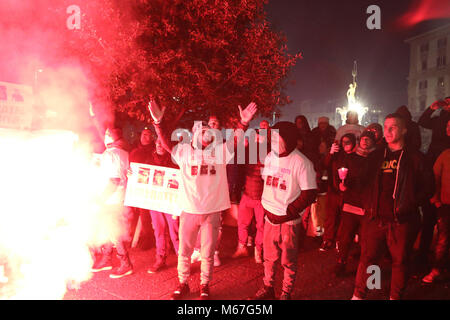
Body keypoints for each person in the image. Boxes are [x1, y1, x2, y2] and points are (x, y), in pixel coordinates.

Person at [148, 99, 257, 300]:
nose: (205, 132)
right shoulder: (184, 151)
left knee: (207, 253)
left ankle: (205, 285)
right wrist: (158, 122)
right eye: (201, 130)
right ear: (194, 134)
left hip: (212, 212)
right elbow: (164, 142)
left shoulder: (220, 151)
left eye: (208, 130)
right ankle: (183, 284)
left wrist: (243, 123)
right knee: (184, 251)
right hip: (189, 210)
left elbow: (235, 141)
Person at [352, 113, 434, 300]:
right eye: (385, 127)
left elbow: (429, 187)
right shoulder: (376, 156)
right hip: (376, 218)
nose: (387, 131)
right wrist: (368, 205)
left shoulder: (415, 158)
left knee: (400, 261)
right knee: (369, 258)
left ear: (404, 130)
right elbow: (363, 182)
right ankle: (363, 293)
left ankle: (394, 296)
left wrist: (410, 203)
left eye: (393, 127)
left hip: (402, 220)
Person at [253, 121, 317, 300]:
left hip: (288, 222)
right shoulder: (269, 157)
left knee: (288, 261)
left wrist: (290, 210)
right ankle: (268, 288)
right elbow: (266, 181)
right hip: (269, 219)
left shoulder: (302, 162)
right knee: (269, 257)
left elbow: (309, 193)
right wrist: (266, 204)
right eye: (271, 137)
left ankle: (286, 292)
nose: (272, 141)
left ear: (287, 140)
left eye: (276, 137)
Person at [91, 127, 134, 279]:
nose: (105, 135)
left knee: (114, 231)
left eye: (108, 133)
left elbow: (114, 180)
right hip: (117, 198)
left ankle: (125, 264)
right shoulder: (122, 152)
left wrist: (100, 199)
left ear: (112, 137)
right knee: (108, 229)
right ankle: (107, 258)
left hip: (111, 199)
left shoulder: (112, 154)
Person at [333, 130, 376, 276]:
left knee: (366, 239)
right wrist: (342, 184)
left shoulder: (375, 160)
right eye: (363, 139)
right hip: (351, 203)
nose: (365, 142)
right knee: (345, 236)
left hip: (367, 206)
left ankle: (366, 268)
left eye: (368, 140)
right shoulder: (350, 158)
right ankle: (341, 262)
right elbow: (342, 175)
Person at [417, 97, 450, 265]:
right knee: (430, 216)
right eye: (447, 102)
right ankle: (423, 254)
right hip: (434, 161)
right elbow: (423, 121)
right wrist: (431, 108)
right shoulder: (438, 119)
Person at [232, 123, 269, 263]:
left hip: (261, 197)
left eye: (261, 136)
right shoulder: (247, 152)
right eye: (256, 136)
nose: (258, 139)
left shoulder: (270, 153)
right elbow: (237, 165)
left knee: (261, 226)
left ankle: (258, 251)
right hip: (247, 194)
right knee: (242, 223)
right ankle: (242, 247)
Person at [422, 119, 450, 283]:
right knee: (443, 239)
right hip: (446, 205)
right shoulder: (444, 154)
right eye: (447, 126)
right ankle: (437, 269)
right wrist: (436, 200)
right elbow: (434, 178)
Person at [147, 138, 180, 273]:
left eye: (162, 142)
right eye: (157, 142)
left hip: (171, 202)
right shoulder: (148, 159)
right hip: (155, 202)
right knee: (159, 230)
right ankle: (160, 258)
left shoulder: (175, 160)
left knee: (175, 231)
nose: (160, 145)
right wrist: (132, 174)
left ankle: (182, 259)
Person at [319, 133, 357, 251]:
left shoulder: (356, 157)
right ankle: (327, 239)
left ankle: (340, 241)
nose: (345, 144)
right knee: (330, 217)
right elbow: (324, 164)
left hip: (347, 193)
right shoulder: (336, 156)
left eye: (348, 142)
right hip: (334, 191)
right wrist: (330, 153)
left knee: (344, 219)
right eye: (343, 142)